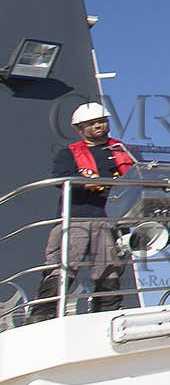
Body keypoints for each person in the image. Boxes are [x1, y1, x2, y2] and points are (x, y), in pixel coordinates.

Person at [28, 102, 138, 322]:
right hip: (76, 219)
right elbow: (62, 178)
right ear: (80, 129)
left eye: (101, 121)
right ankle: (43, 317)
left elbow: (139, 176)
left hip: (112, 221)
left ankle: (105, 317)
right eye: (91, 123)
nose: (98, 125)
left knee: (110, 272)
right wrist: (89, 183)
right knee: (61, 268)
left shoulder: (124, 151)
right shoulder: (68, 154)